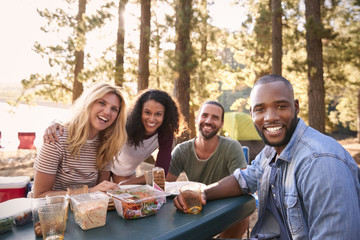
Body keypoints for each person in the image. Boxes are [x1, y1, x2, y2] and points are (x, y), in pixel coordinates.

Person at [174, 74, 360, 239]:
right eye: (260, 109)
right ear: (252, 114)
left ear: (296, 107)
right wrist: (202, 193)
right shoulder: (272, 151)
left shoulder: (320, 163)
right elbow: (244, 179)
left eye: (280, 106)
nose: (270, 117)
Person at [43, 89, 186, 185]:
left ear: (166, 115)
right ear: (139, 112)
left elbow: (160, 172)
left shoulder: (165, 135)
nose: (152, 119)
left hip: (125, 173)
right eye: (147, 112)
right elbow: (95, 122)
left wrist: (126, 183)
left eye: (158, 114)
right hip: (103, 165)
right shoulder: (125, 124)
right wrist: (55, 122)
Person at [166, 101, 249, 239]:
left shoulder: (232, 147)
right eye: (204, 115)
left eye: (215, 117)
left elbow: (244, 184)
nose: (208, 121)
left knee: (241, 215)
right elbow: (166, 185)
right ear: (197, 119)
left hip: (224, 207)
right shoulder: (181, 150)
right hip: (194, 209)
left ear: (221, 124)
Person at [33, 82, 127, 198]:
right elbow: (39, 195)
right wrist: (89, 192)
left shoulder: (106, 145)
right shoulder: (56, 139)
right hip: (52, 212)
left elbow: (101, 192)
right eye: (101, 103)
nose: (107, 112)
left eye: (114, 109)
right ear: (88, 103)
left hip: (86, 211)